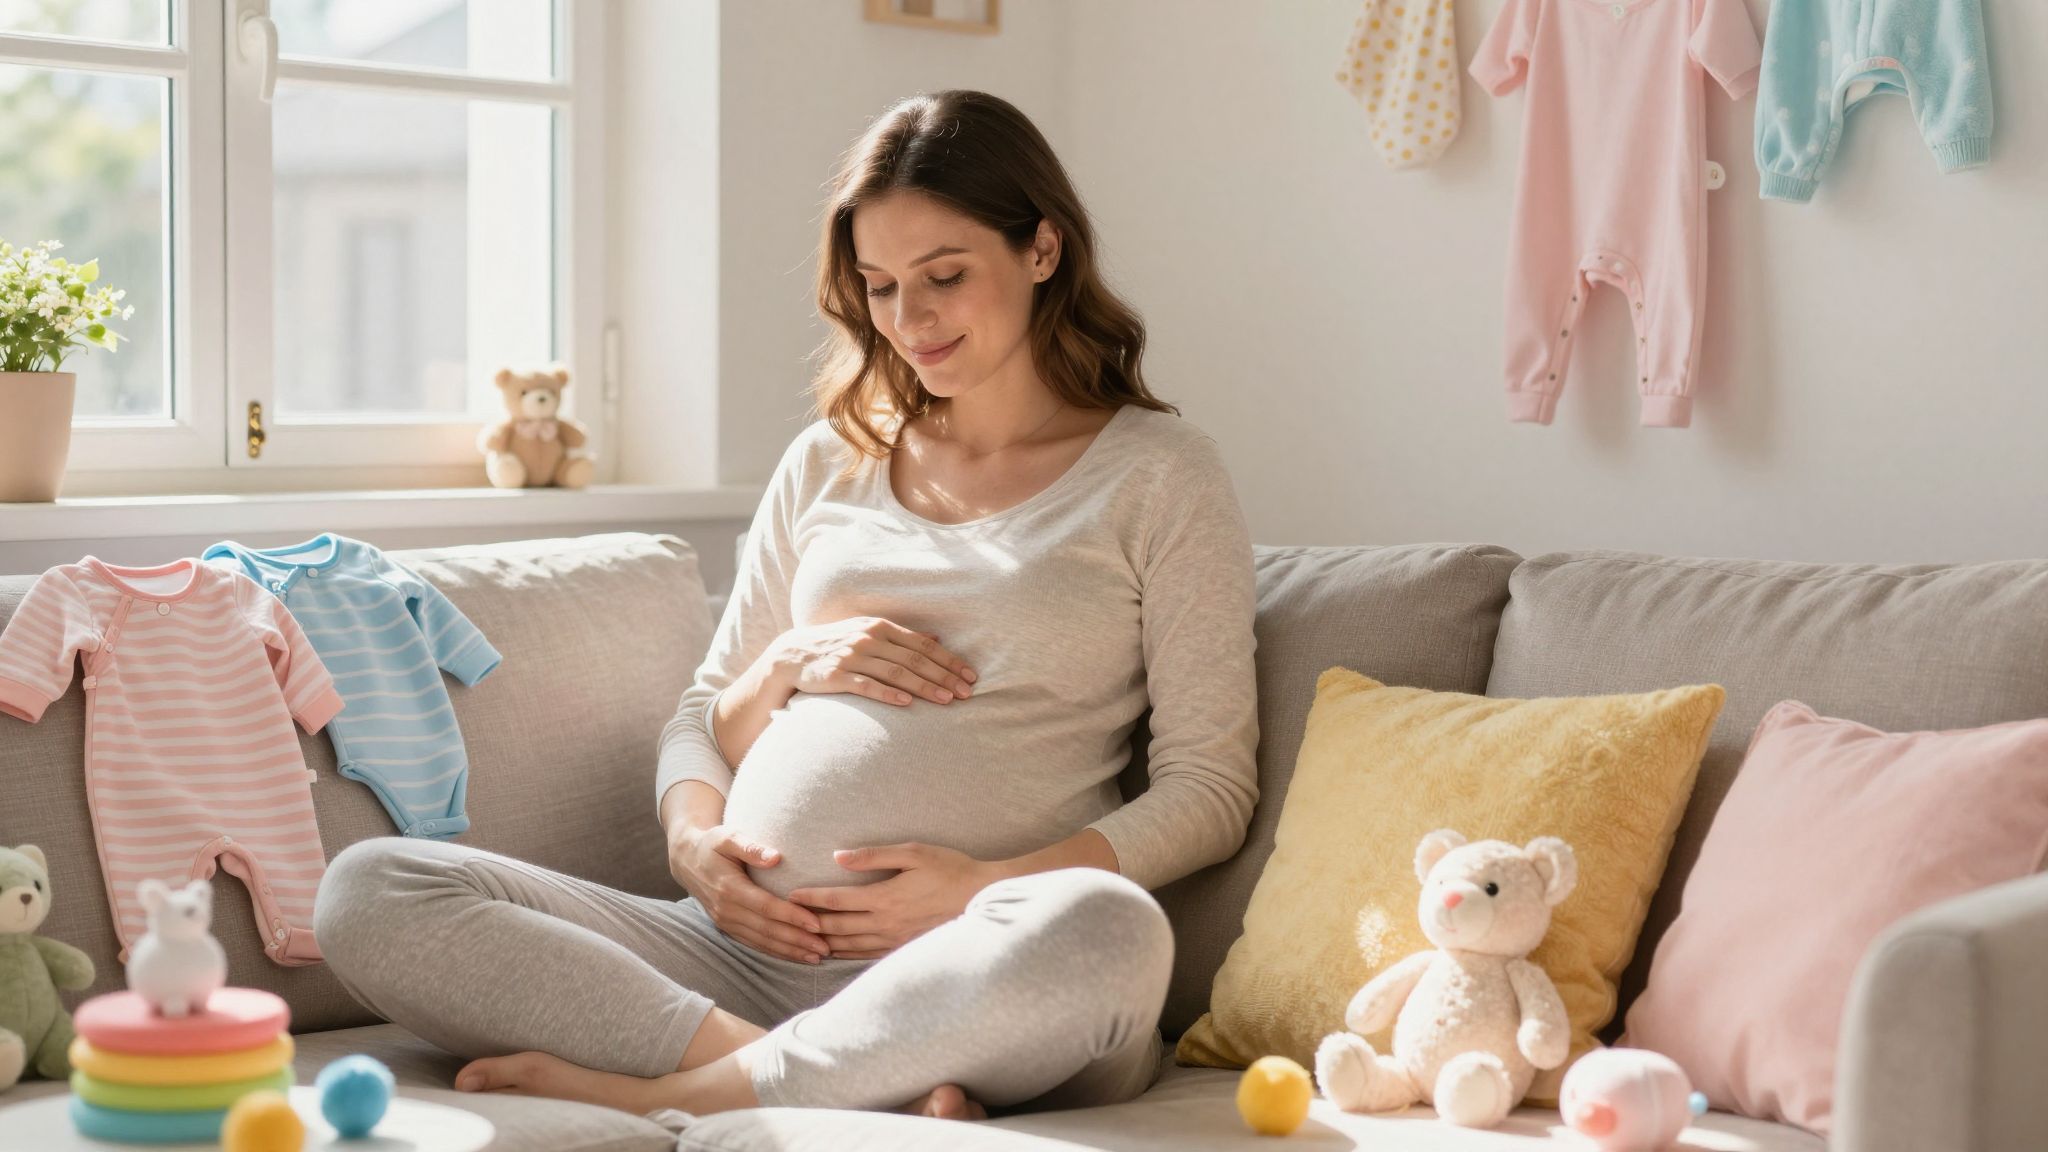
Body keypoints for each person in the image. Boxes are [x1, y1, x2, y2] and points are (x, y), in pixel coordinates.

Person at [314, 88, 1259, 1125]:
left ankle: (695, 1093)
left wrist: (978, 885)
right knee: (373, 889)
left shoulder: (1159, 474)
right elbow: (702, 714)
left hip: (974, 958)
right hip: (730, 954)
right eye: (881, 286)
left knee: (1107, 933)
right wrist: (696, 839)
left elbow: (1210, 790)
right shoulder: (830, 461)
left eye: (945, 277)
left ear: (1041, 250)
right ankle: (831, 1075)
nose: (910, 320)